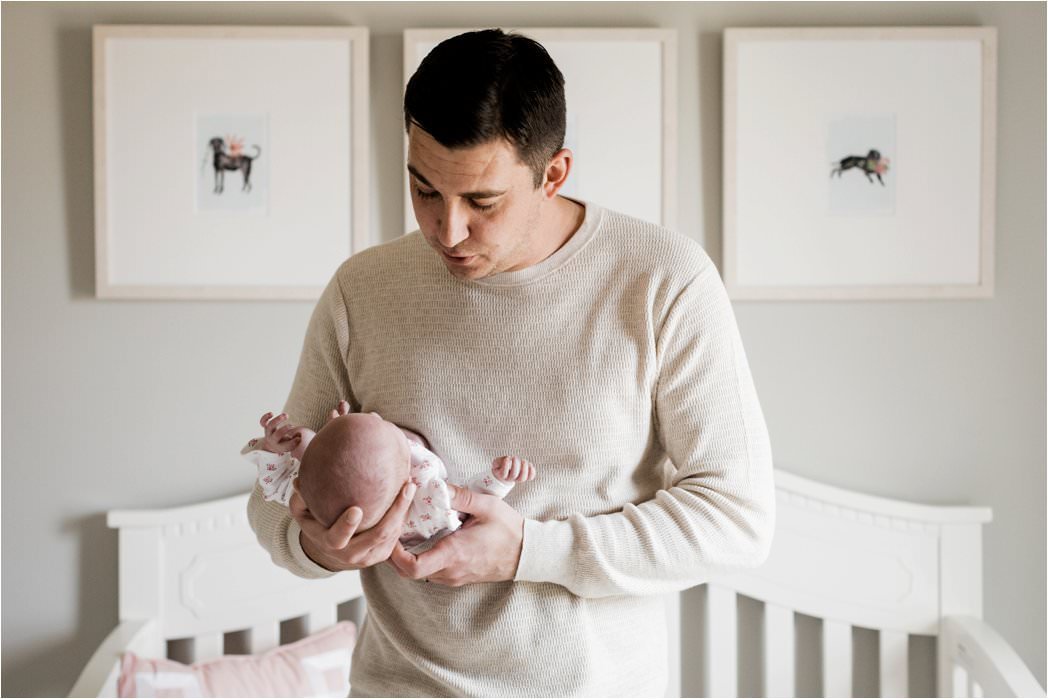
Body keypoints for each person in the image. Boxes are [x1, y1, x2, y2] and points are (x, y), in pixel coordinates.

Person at [246, 28, 775, 696]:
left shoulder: (664, 282)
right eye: (424, 190)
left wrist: (530, 550)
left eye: (482, 202)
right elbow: (272, 497)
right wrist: (318, 543)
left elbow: (737, 518)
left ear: (553, 173)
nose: (448, 230)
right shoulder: (363, 290)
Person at [242, 406, 535, 546]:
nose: (378, 415)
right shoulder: (422, 500)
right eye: (382, 424)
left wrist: (271, 449)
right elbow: (471, 507)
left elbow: (275, 484)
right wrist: (498, 479)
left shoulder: (309, 487)